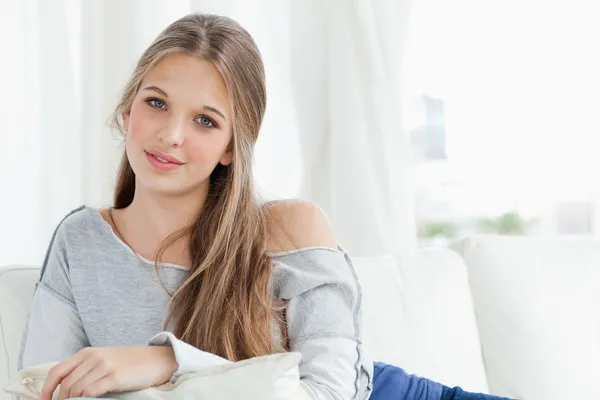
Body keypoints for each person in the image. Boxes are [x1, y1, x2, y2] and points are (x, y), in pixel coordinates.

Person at [18, 13, 515, 400]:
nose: (170, 135)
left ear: (232, 148)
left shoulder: (289, 228)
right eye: (156, 103)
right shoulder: (80, 241)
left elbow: (330, 393)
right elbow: (38, 388)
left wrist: (169, 362)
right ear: (127, 112)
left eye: (206, 121)